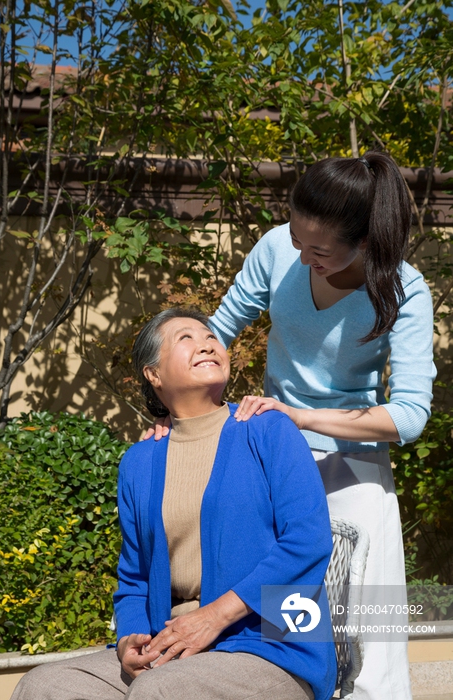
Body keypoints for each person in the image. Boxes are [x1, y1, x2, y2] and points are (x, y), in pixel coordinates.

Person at [148, 151, 435, 699]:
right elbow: (219, 329)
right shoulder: (280, 247)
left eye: (319, 250)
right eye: (297, 240)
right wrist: (172, 415)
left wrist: (304, 417)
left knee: (366, 636)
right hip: (276, 455)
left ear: (367, 242)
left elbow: (409, 415)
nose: (301, 257)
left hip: (353, 463)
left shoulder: (403, 289)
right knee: (291, 621)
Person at [12, 308, 337, 700]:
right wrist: (128, 642)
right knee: (45, 686)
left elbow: (308, 540)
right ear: (154, 374)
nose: (206, 343)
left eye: (210, 337)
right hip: (170, 649)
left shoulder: (269, 429)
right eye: (186, 338)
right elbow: (134, 578)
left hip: (271, 646)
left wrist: (214, 617)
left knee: (160, 691)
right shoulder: (140, 461)